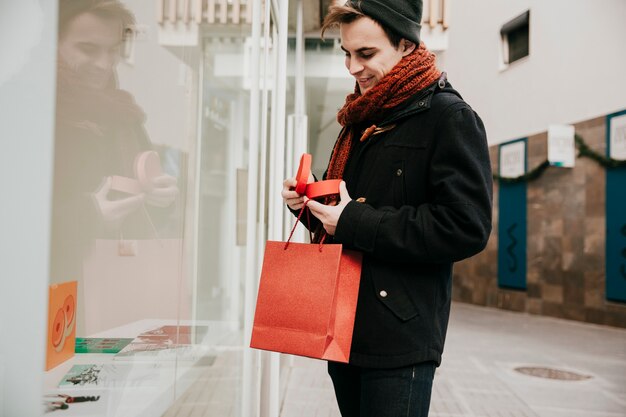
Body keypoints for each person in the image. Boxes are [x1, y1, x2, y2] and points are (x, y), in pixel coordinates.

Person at [281, 1, 492, 416]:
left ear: (406, 46)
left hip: (400, 339)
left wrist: (353, 219)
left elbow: (465, 225)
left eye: (366, 54)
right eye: (346, 53)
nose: (352, 67)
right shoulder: (360, 119)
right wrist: (308, 204)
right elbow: (347, 210)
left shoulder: (449, 117)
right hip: (344, 325)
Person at [50, 0, 178, 334]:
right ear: (52, 42)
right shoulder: (30, 108)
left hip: (108, 294)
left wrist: (159, 197)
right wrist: (88, 213)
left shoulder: (122, 116)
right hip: (41, 292)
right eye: (87, 49)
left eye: (113, 50)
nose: (103, 63)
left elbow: (143, 204)